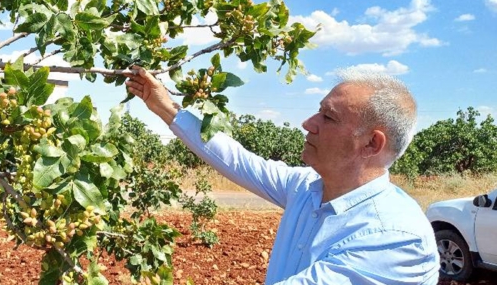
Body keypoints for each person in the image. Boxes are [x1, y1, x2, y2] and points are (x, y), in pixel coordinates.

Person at [125, 65, 439, 285]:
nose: (308, 123)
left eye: (328, 117)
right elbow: (237, 160)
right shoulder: (307, 189)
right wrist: (165, 107)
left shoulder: (395, 238)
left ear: (372, 143)